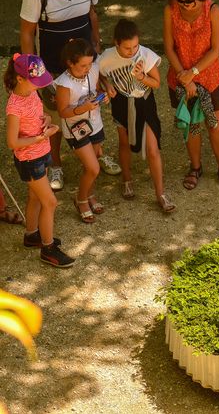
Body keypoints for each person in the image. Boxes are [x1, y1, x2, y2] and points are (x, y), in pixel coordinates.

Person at [19, 0, 121, 192]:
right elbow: (27, 33)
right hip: (53, 66)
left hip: (85, 60)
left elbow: (92, 14)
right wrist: (32, 73)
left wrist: (96, 43)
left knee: (91, 104)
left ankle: (98, 153)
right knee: (54, 115)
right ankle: (55, 164)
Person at [163, 0, 219, 193]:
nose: (185, 5)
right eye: (181, 0)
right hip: (180, 78)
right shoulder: (169, 10)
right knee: (192, 126)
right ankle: (195, 168)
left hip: (209, 77)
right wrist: (184, 77)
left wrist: (192, 72)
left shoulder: (213, 10)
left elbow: (217, 49)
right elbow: (169, 47)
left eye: (190, 1)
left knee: (214, 124)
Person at [5, 54, 74, 268]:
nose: (38, 86)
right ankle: (48, 248)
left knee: (35, 197)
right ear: (20, 79)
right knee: (50, 202)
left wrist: (46, 119)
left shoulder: (31, 93)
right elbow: (12, 142)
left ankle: (31, 234)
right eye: (35, 82)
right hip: (29, 160)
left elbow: (39, 114)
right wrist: (42, 137)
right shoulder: (14, 107)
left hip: (41, 153)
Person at [100, 19, 175, 213]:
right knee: (124, 142)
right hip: (121, 103)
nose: (132, 51)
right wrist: (107, 85)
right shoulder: (107, 57)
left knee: (152, 148)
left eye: (135, 46)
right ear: (116, 43)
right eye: (127, 48)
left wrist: (142, 76)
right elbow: (98, 73)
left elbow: (157, 83)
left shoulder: (145, 54)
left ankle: (161, 194)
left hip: (144, 102)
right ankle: (127, 180)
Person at [54, 39, 107, 224]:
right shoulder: (64, 84)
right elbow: (62, 112)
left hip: (95, 124)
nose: (88, 68)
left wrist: (105, 94)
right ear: (70, 62)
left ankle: (89, 193)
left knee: (91, 166)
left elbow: (98, 88)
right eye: (83, 65)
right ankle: (81, 200)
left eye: (90, 64)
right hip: (77, 130)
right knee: (93, 168)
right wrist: (82, 109)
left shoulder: (93, 69)